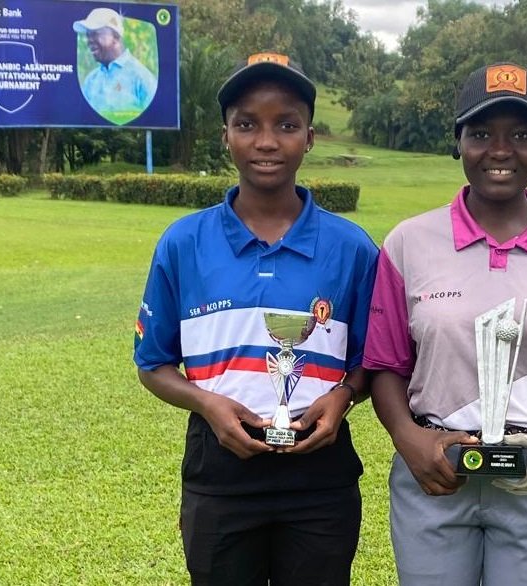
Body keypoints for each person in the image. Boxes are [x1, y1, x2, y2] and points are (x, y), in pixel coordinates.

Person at [363, 62, 527, 586]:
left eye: (521, 135)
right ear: (458, 141)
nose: (500, 151)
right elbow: (386, 365)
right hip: (434, 473)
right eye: (480, 134)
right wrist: (408, 440)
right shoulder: (408, 244)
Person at [134, 51, 378, 585]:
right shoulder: (183, 244)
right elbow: (152, 363)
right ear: (226, 134)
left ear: (309, 137)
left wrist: (343, 396)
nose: (266, 142)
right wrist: (206, 402)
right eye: (247, 124)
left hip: (321, 477)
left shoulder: (353, 249)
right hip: (219, 475)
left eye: (286, 125)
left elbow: (372, 362)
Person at [73, 7, 157, 116]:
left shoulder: (141, 77)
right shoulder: (90, 81)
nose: (89, 41)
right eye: (88, 35)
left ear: (116, 37)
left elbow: (155, 116)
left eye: (95, 34)